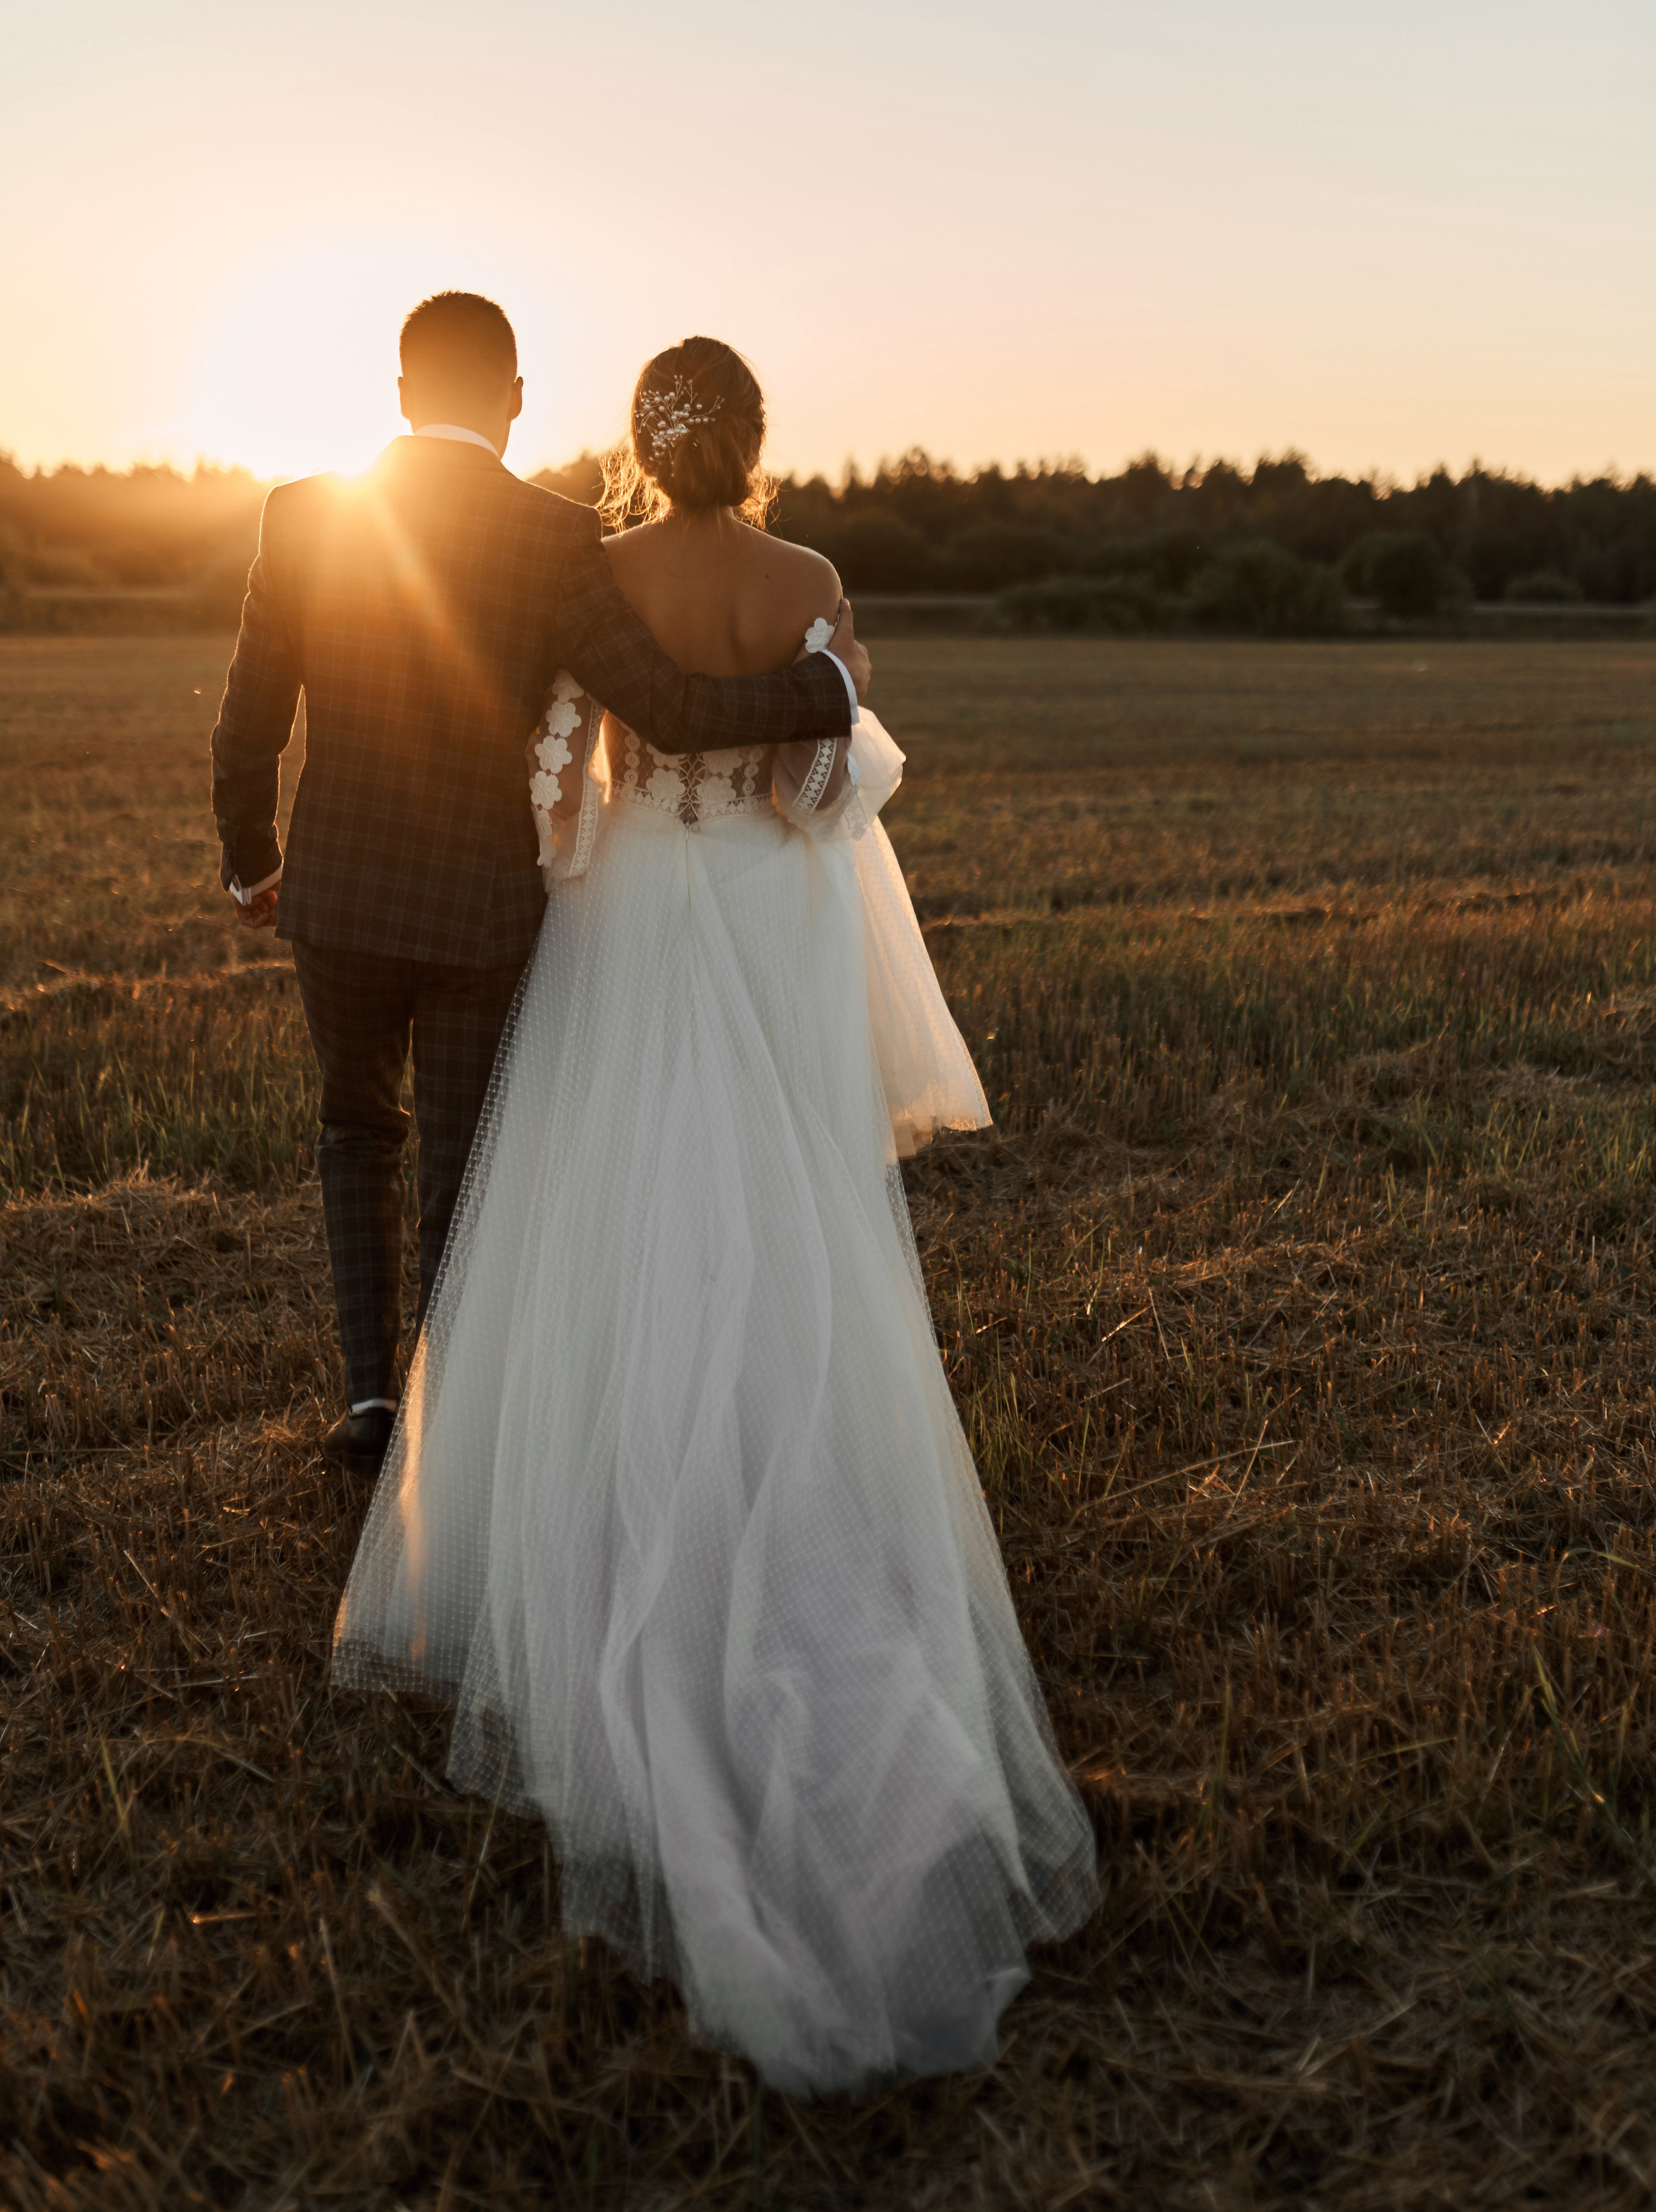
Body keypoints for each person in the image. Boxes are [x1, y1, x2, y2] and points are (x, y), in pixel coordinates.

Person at [331, 335, 1099, 2094]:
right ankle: (780, 1471)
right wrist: (807, 723)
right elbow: (826, 794)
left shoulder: (590, 572)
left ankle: (587, 1506)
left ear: (633, 442)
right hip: (755, 917)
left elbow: (573, 775)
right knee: (781, 1214)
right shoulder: (812, 580)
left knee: (601, 1210)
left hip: (630, 920)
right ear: (754, 445)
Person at [209, 295, 866, 1481]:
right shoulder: (554, 536)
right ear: (514, 401)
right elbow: (669, 708)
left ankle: (366, 1398)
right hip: (476, 906)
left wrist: (251, 853)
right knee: (464, 1160)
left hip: (341, 898)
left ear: (403, 392)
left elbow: (251, 710)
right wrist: (818, 696)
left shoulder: (304, 515)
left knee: (355, 1130)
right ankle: (445, 1414)